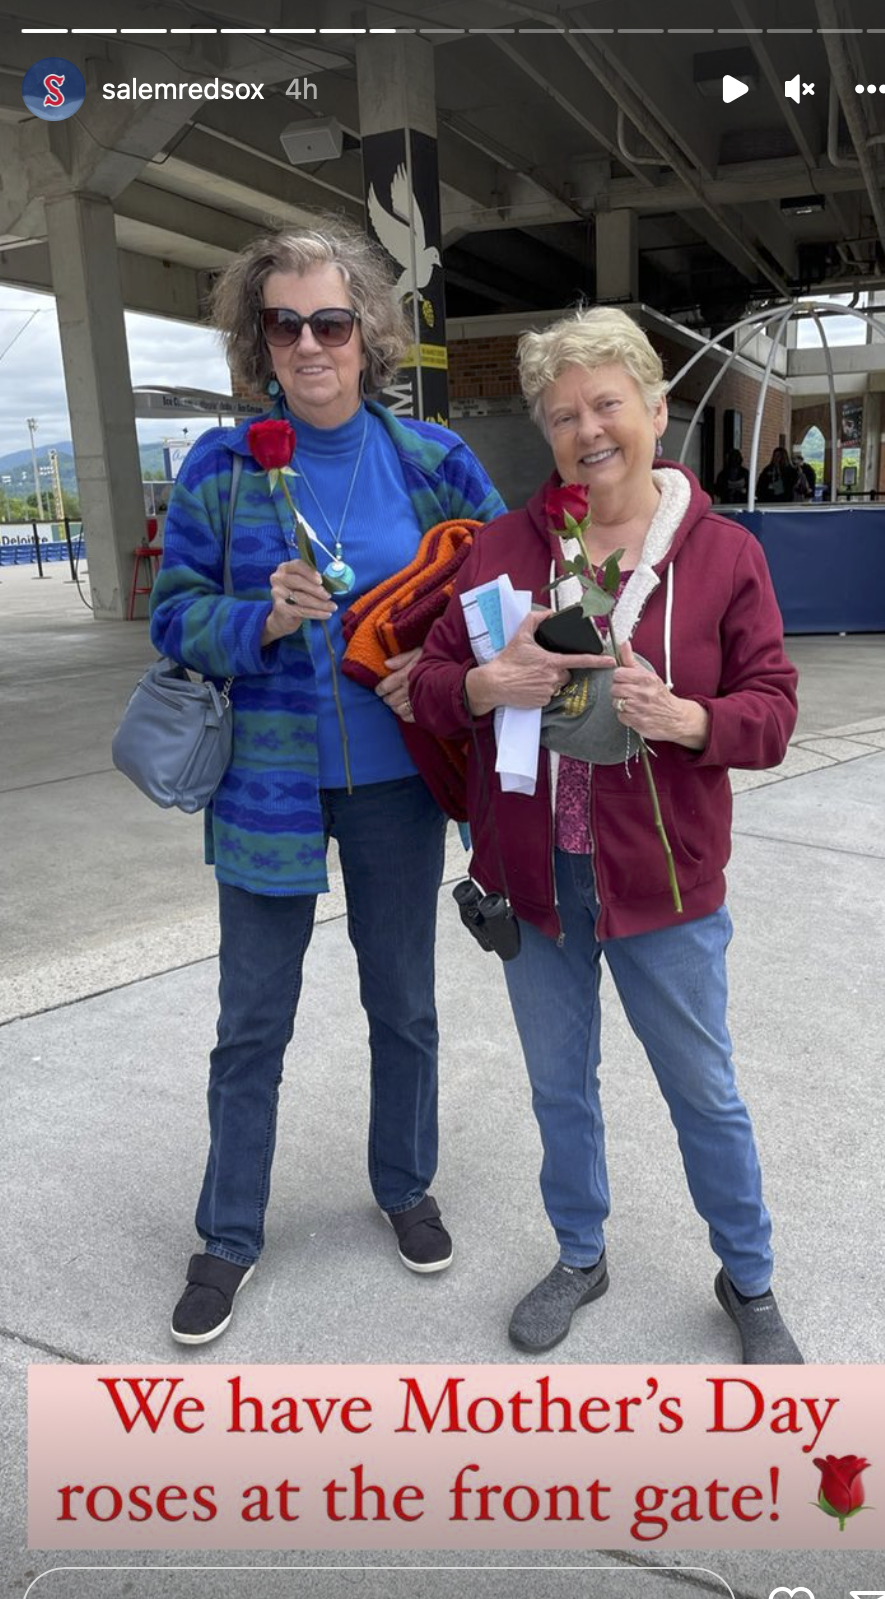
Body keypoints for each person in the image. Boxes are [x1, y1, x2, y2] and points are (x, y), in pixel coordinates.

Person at [411, 306, 803, 1364]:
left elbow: (772, 708)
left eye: (604, 404)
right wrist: (489, 682)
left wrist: (691, 721)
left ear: (654, 405)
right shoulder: (503, 551)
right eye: (560, 415)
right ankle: (580, 1254)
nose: (586, 430)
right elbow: (435, 686)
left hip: (665, 885)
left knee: (701, 1091)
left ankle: (749, 1278)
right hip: (535, 881)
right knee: (556, 1082)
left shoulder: (721, 557)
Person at [150, 221, 504, 1346]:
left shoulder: (433, 461)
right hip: (266, 790)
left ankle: (403, 1185)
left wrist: (439, 665)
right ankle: (228, 1235)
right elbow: (172, 619)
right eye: (286, 323)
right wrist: (257, 618)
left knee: (401, 1003)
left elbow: (503, 595)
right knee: (251, 1020)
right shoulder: (221, 466)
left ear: (368, 336)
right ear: (260, 336)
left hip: (400, 786)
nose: (310, 344)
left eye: (331, 323)